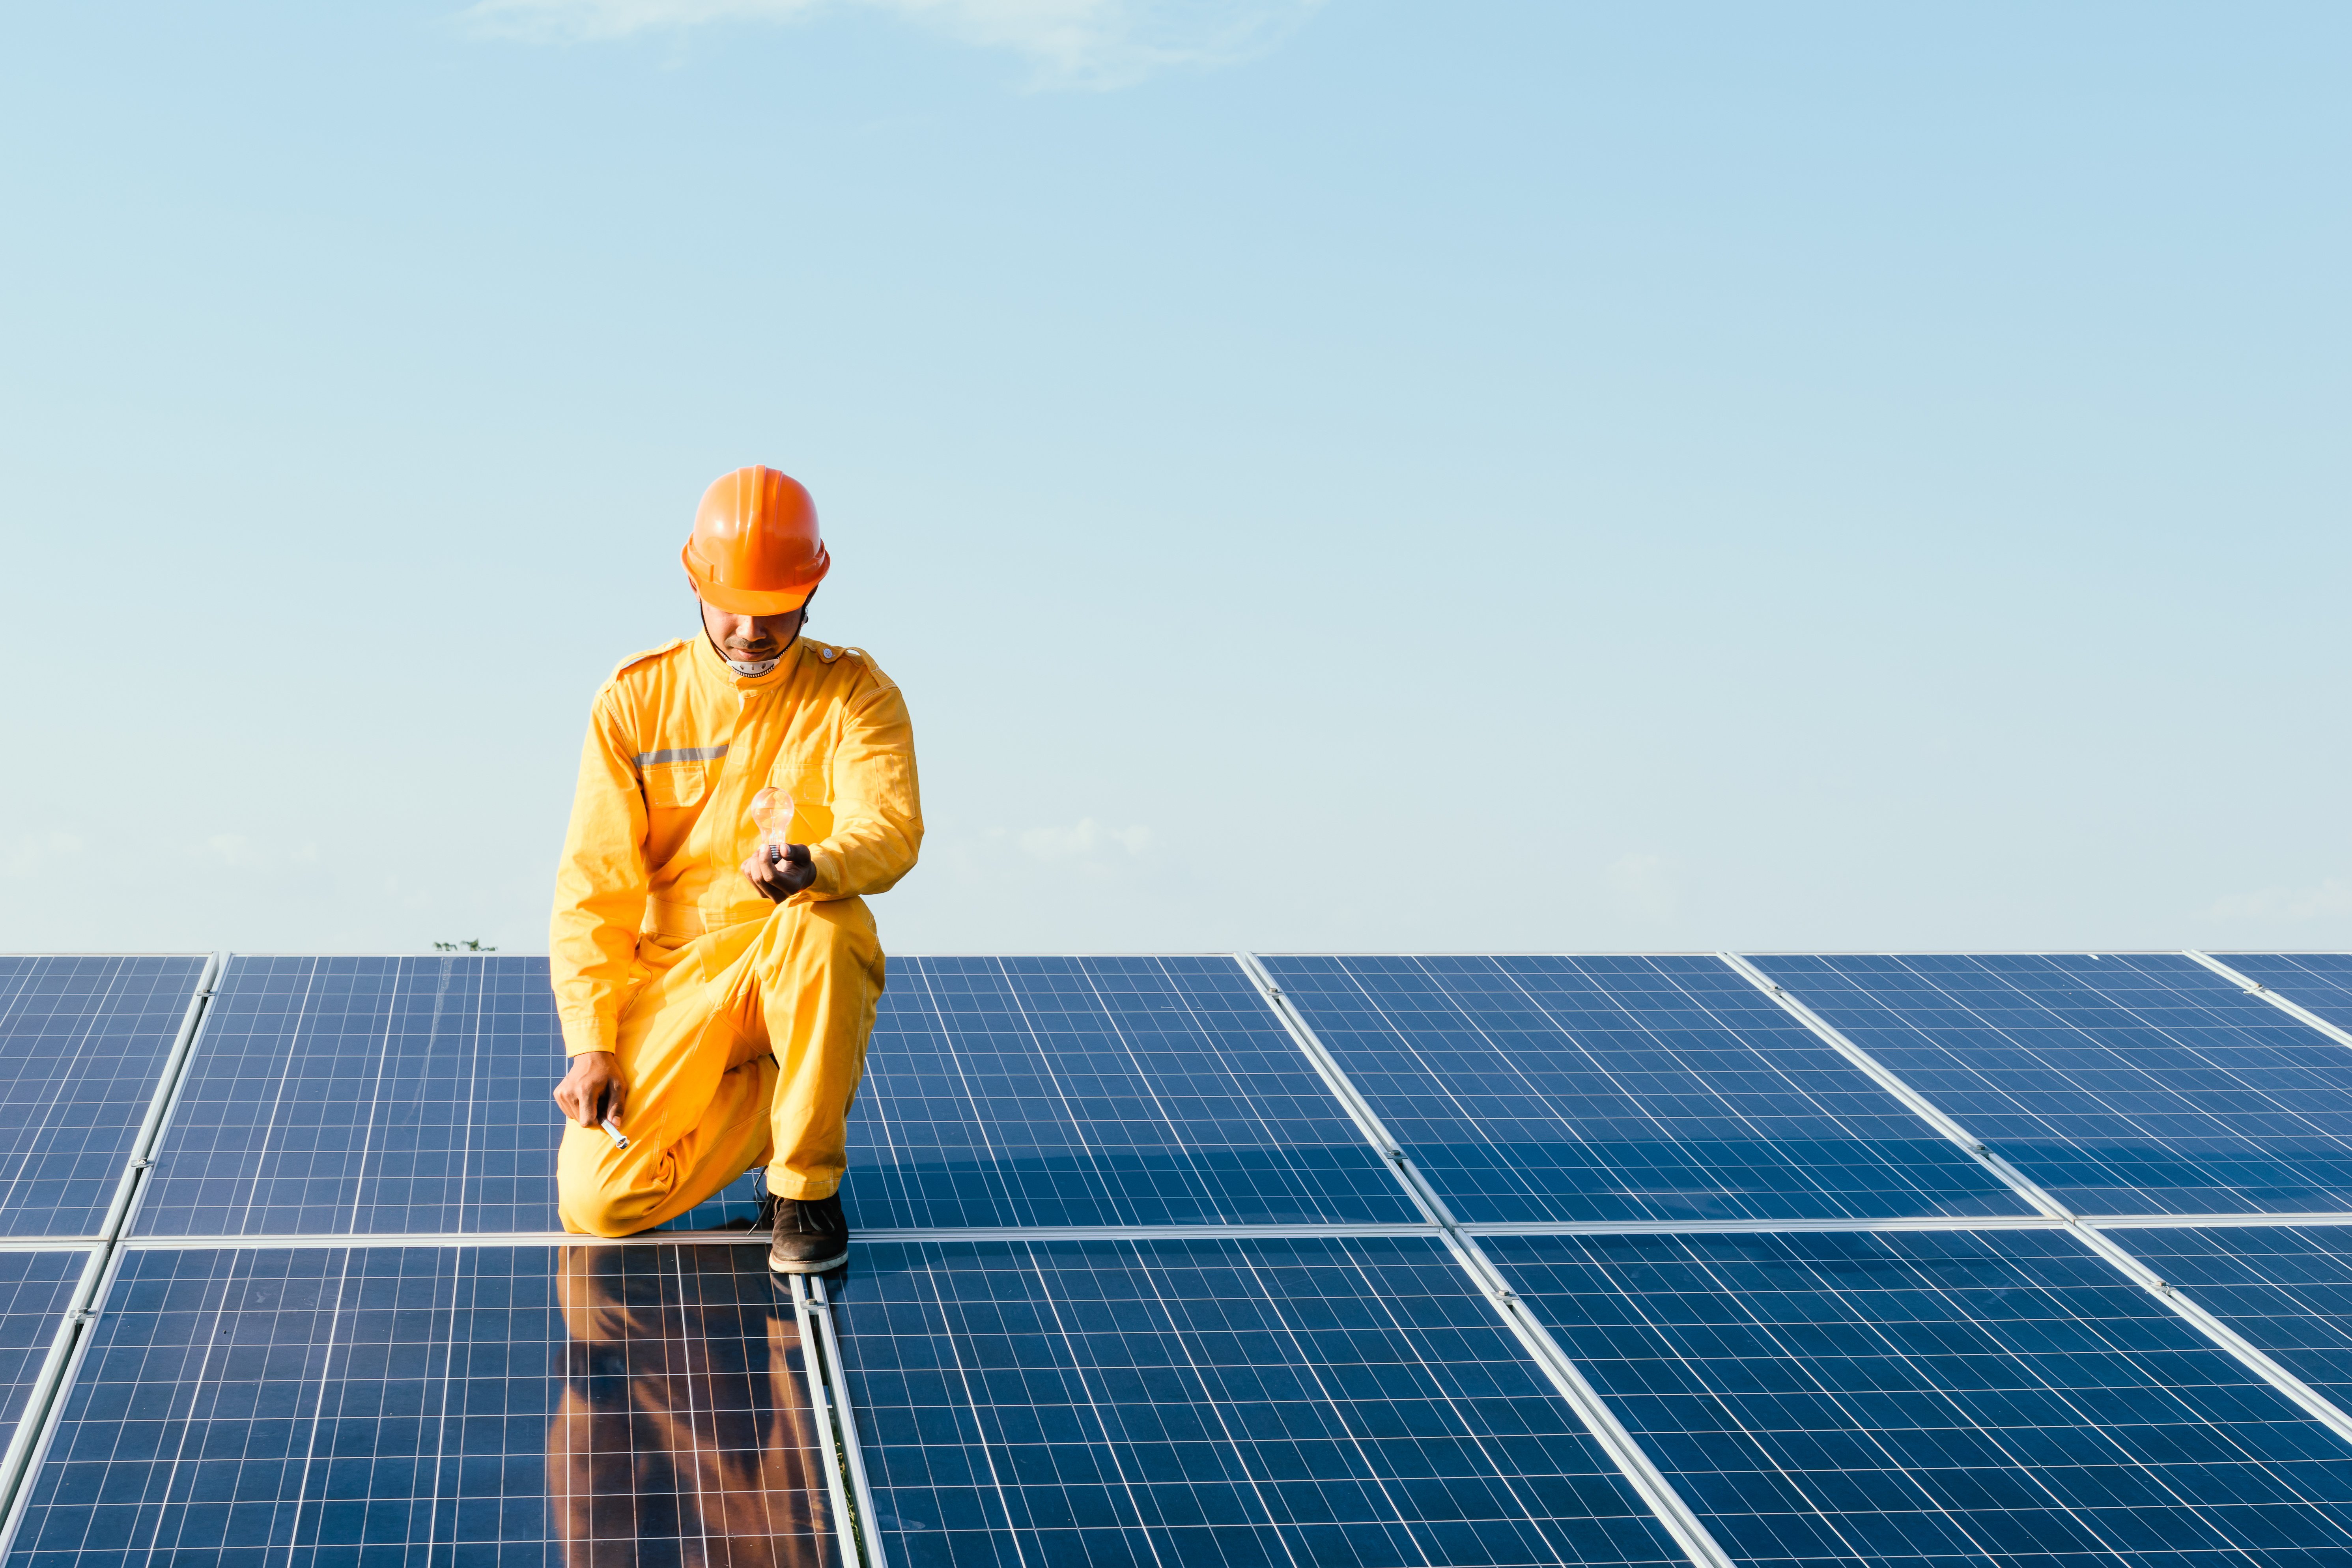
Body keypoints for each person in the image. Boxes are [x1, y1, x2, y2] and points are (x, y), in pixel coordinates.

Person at [547, 465, 922, 1273]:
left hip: (790, 959)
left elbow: (889, 827)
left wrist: (819, 865)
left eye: (775, 608)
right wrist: (591, 1042)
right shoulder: (634, 701)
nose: (753, 629)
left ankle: (804, 1185)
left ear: (812, 591)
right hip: (677, 980)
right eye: (735, 608)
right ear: (695, 584)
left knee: (832, 922)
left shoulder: (857, 695)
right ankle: (782, 1101)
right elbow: (594, 887)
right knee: (599, 1200)